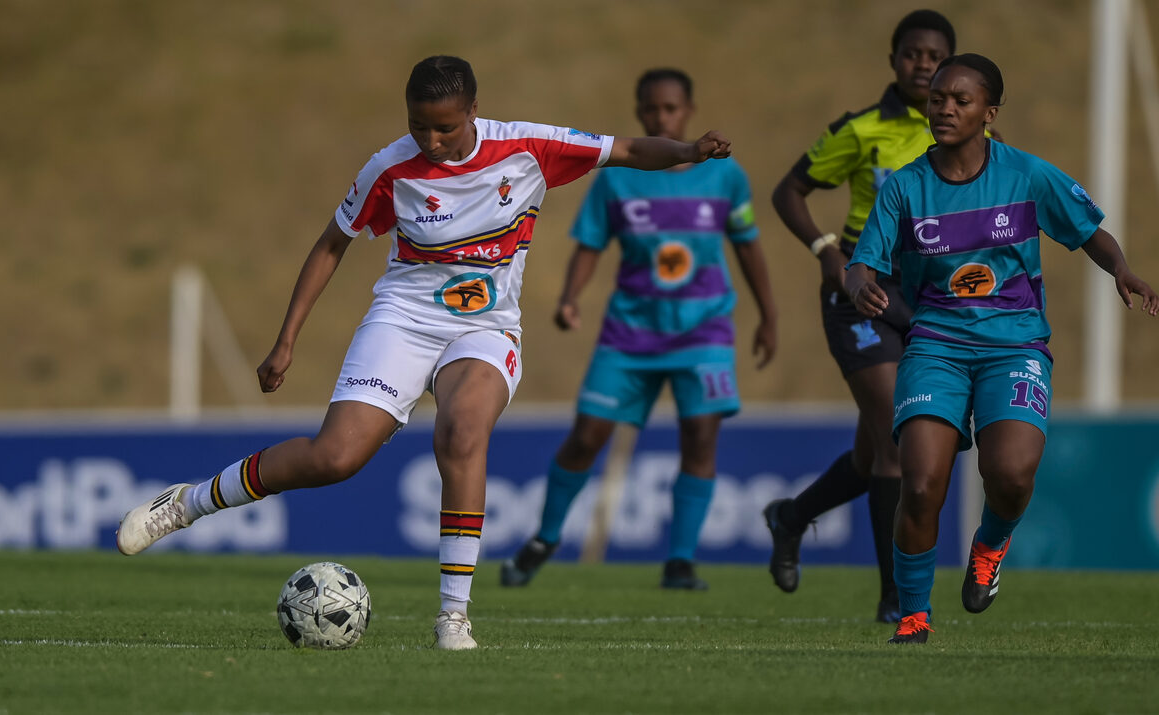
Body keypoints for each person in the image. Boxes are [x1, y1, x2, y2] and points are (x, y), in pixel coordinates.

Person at [114, 55, 736, 650]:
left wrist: (685, 152)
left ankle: (453, 617)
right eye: (418, 126)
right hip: (405, 319)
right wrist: (286, 339)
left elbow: (623, 151)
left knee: (462, 432)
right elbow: (333, 244)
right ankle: (187, 502)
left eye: (444, 127)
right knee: (335, 458)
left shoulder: (527, 146)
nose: (430, 141)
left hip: (487, 326)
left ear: (473, 112)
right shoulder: (390, 168)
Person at [845, 53, 1158, 644]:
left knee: (1011, 474)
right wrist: (860, 285)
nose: (945, 108)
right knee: (919, 484)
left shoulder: (1027, 175)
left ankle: (989, 548)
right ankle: (913, 616)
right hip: (935, 344)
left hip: (1014, 347)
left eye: (961, 100)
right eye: (938, 98)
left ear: (989, 112)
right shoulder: (906, 188)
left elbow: (1089, 231)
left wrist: (1122, 269)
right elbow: (861, 264)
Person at [499, 68, 777, 591]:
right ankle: (545, 538)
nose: (661, 117)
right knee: (586, 437)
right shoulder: (618, 176)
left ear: (688, 110)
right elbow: (591, 244)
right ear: (639, 112)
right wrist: (568, 298)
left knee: (700, 437)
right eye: (651, 110)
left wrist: (769, 314)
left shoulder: (725, 175)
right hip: (630, 332)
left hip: (704, 329)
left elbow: (748, 244)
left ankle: (680, 562)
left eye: (671, 109)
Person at [765, 9, 958, 623]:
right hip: (862, 288)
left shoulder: (966, 136)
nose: (923, 64)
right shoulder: (863, 129)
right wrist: (826, 252)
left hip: (931, 296)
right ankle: (894, 599)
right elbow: (788, 191)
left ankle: (791, 516)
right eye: (912, 54)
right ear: (894, 60)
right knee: (899, 440)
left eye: (935, 56)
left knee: (872, 451)